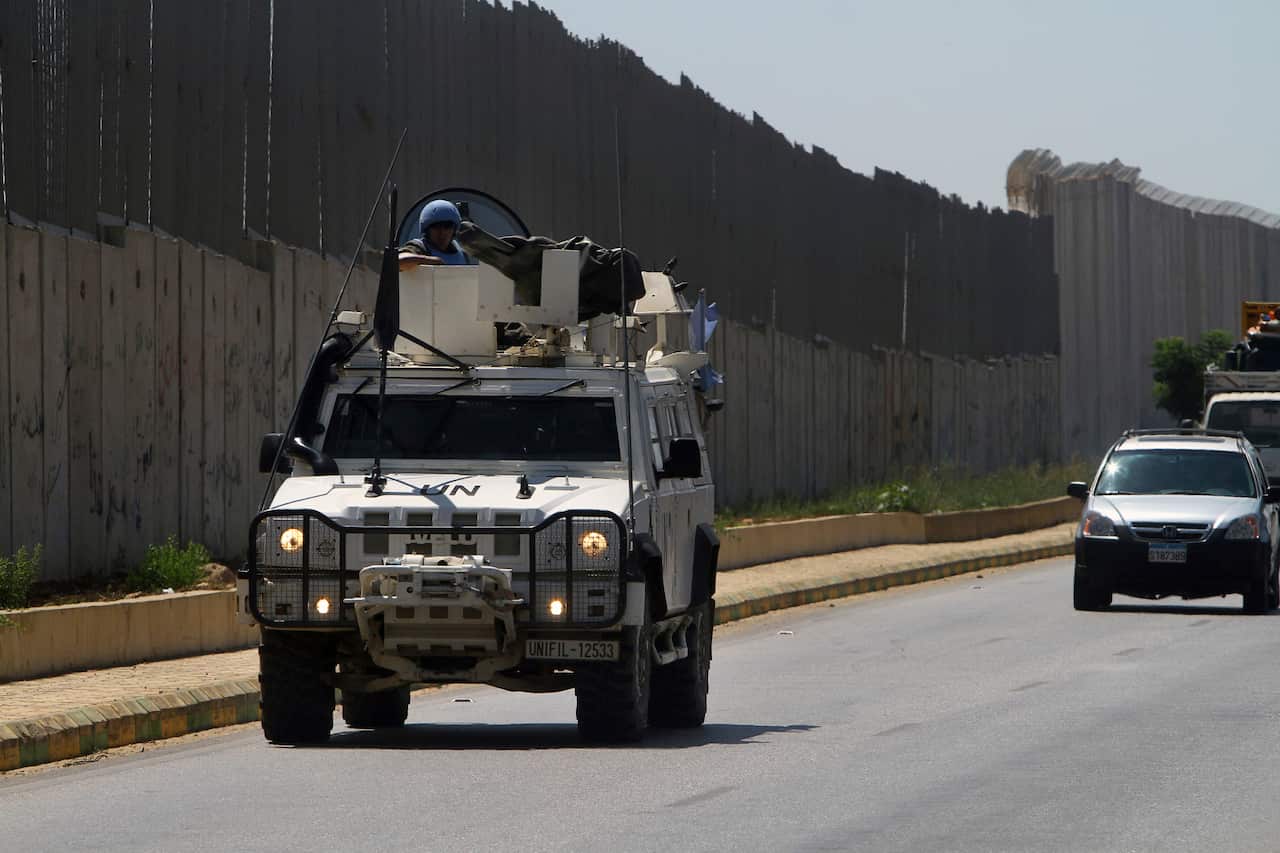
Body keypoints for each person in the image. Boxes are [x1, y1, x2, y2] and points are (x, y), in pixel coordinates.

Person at [398, 199, 471, 269]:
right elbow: (397, 261)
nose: (442, 233)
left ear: (454, 230)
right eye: (436, 227)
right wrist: (429, 260)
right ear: (427, 230)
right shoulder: (419, 248)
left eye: (447, 226)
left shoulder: (462, 254)